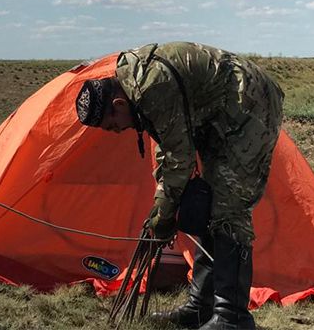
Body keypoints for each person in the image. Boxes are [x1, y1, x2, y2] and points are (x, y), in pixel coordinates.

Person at [76, 42, 283, 330]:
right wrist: (164, 208)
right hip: (219, 115)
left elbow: (180, 158)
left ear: (118, 105)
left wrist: (162, 216)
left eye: (114, 125)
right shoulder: (136, 90)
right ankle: (201, 307)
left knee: (228, 209)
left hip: (249, 107)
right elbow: (167, 148)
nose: (119, 131)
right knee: (209, 205)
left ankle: (232, 318)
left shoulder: (151, 87)